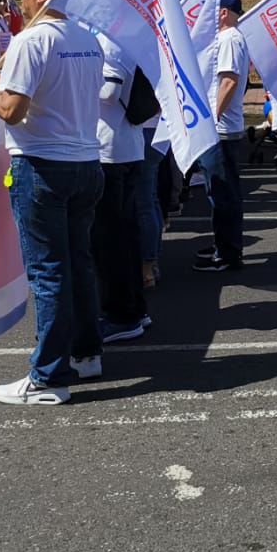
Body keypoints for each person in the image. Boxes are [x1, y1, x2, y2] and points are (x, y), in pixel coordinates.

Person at [0, 0, 105, 405]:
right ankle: (87, 354)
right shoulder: (88, 39)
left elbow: (12, 109)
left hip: (43, 164)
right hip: (86, 162)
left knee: (50, 272)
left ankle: (48, 375)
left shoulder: (33, 40)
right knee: (79, 264)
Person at [91, 29, 150, 341]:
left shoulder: (109, 39)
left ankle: (121, 316)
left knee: (110, 241)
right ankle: (135, 309)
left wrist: (70, 81)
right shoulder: (123, 36)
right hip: (124, 146)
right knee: (125, 236)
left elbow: (109, 92)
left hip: (111, 150)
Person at [192, 0, 251, 273]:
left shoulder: (229, 39)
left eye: (214, 10)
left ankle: (227, 254)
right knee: (220, 190)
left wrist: (210, 118)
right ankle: (223, 245)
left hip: (222, 129)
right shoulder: (232, 39)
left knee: (222, 191)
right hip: (225, 127)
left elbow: (228, 81)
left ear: (224, 12)